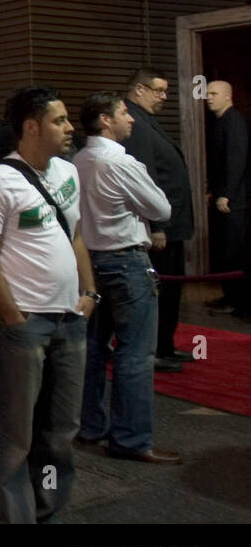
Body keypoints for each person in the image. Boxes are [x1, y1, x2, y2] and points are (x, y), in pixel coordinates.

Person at [0, 85, 98, 523]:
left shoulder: (67, 173)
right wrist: (13, 316)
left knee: (61, 434)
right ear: (31, 126)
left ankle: (47, 511)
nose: (69, 127)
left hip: (70, 322)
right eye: (59, 120)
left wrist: (90, 293)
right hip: (23, 328)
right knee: (15, 438)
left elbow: (75, 235)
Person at [75, 92, 181, 464]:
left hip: (88, 263)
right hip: (125, 263)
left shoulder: (78, 161)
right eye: (123, 112)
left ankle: (90, 425)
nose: (131, 119)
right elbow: (161, 207)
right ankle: (132, 439)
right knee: (135, 352)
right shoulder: (120, 162)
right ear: (105, 119)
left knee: (91, 349)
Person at [120, 69, 193, 372]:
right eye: (159, 90)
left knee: (171, 290)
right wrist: (158, 226)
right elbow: (145, 177)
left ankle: (165, 344)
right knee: (160, 289)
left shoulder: (146, 119)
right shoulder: (135, 123)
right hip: (161, 226)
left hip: (171, 223)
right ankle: (156, 349)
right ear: (139, 89)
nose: (164, 97)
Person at [205, 80, 249, 318]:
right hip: (225, 197)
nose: (209, 97)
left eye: (214, 93)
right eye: (207, 93)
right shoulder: (221, 122)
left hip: (235, 201)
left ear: (228, 96)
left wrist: (227, 194)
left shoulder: (234, 122)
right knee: (225, 251)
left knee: (234, 252)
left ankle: (239, 301)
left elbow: (236, 161)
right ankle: (230, 297)